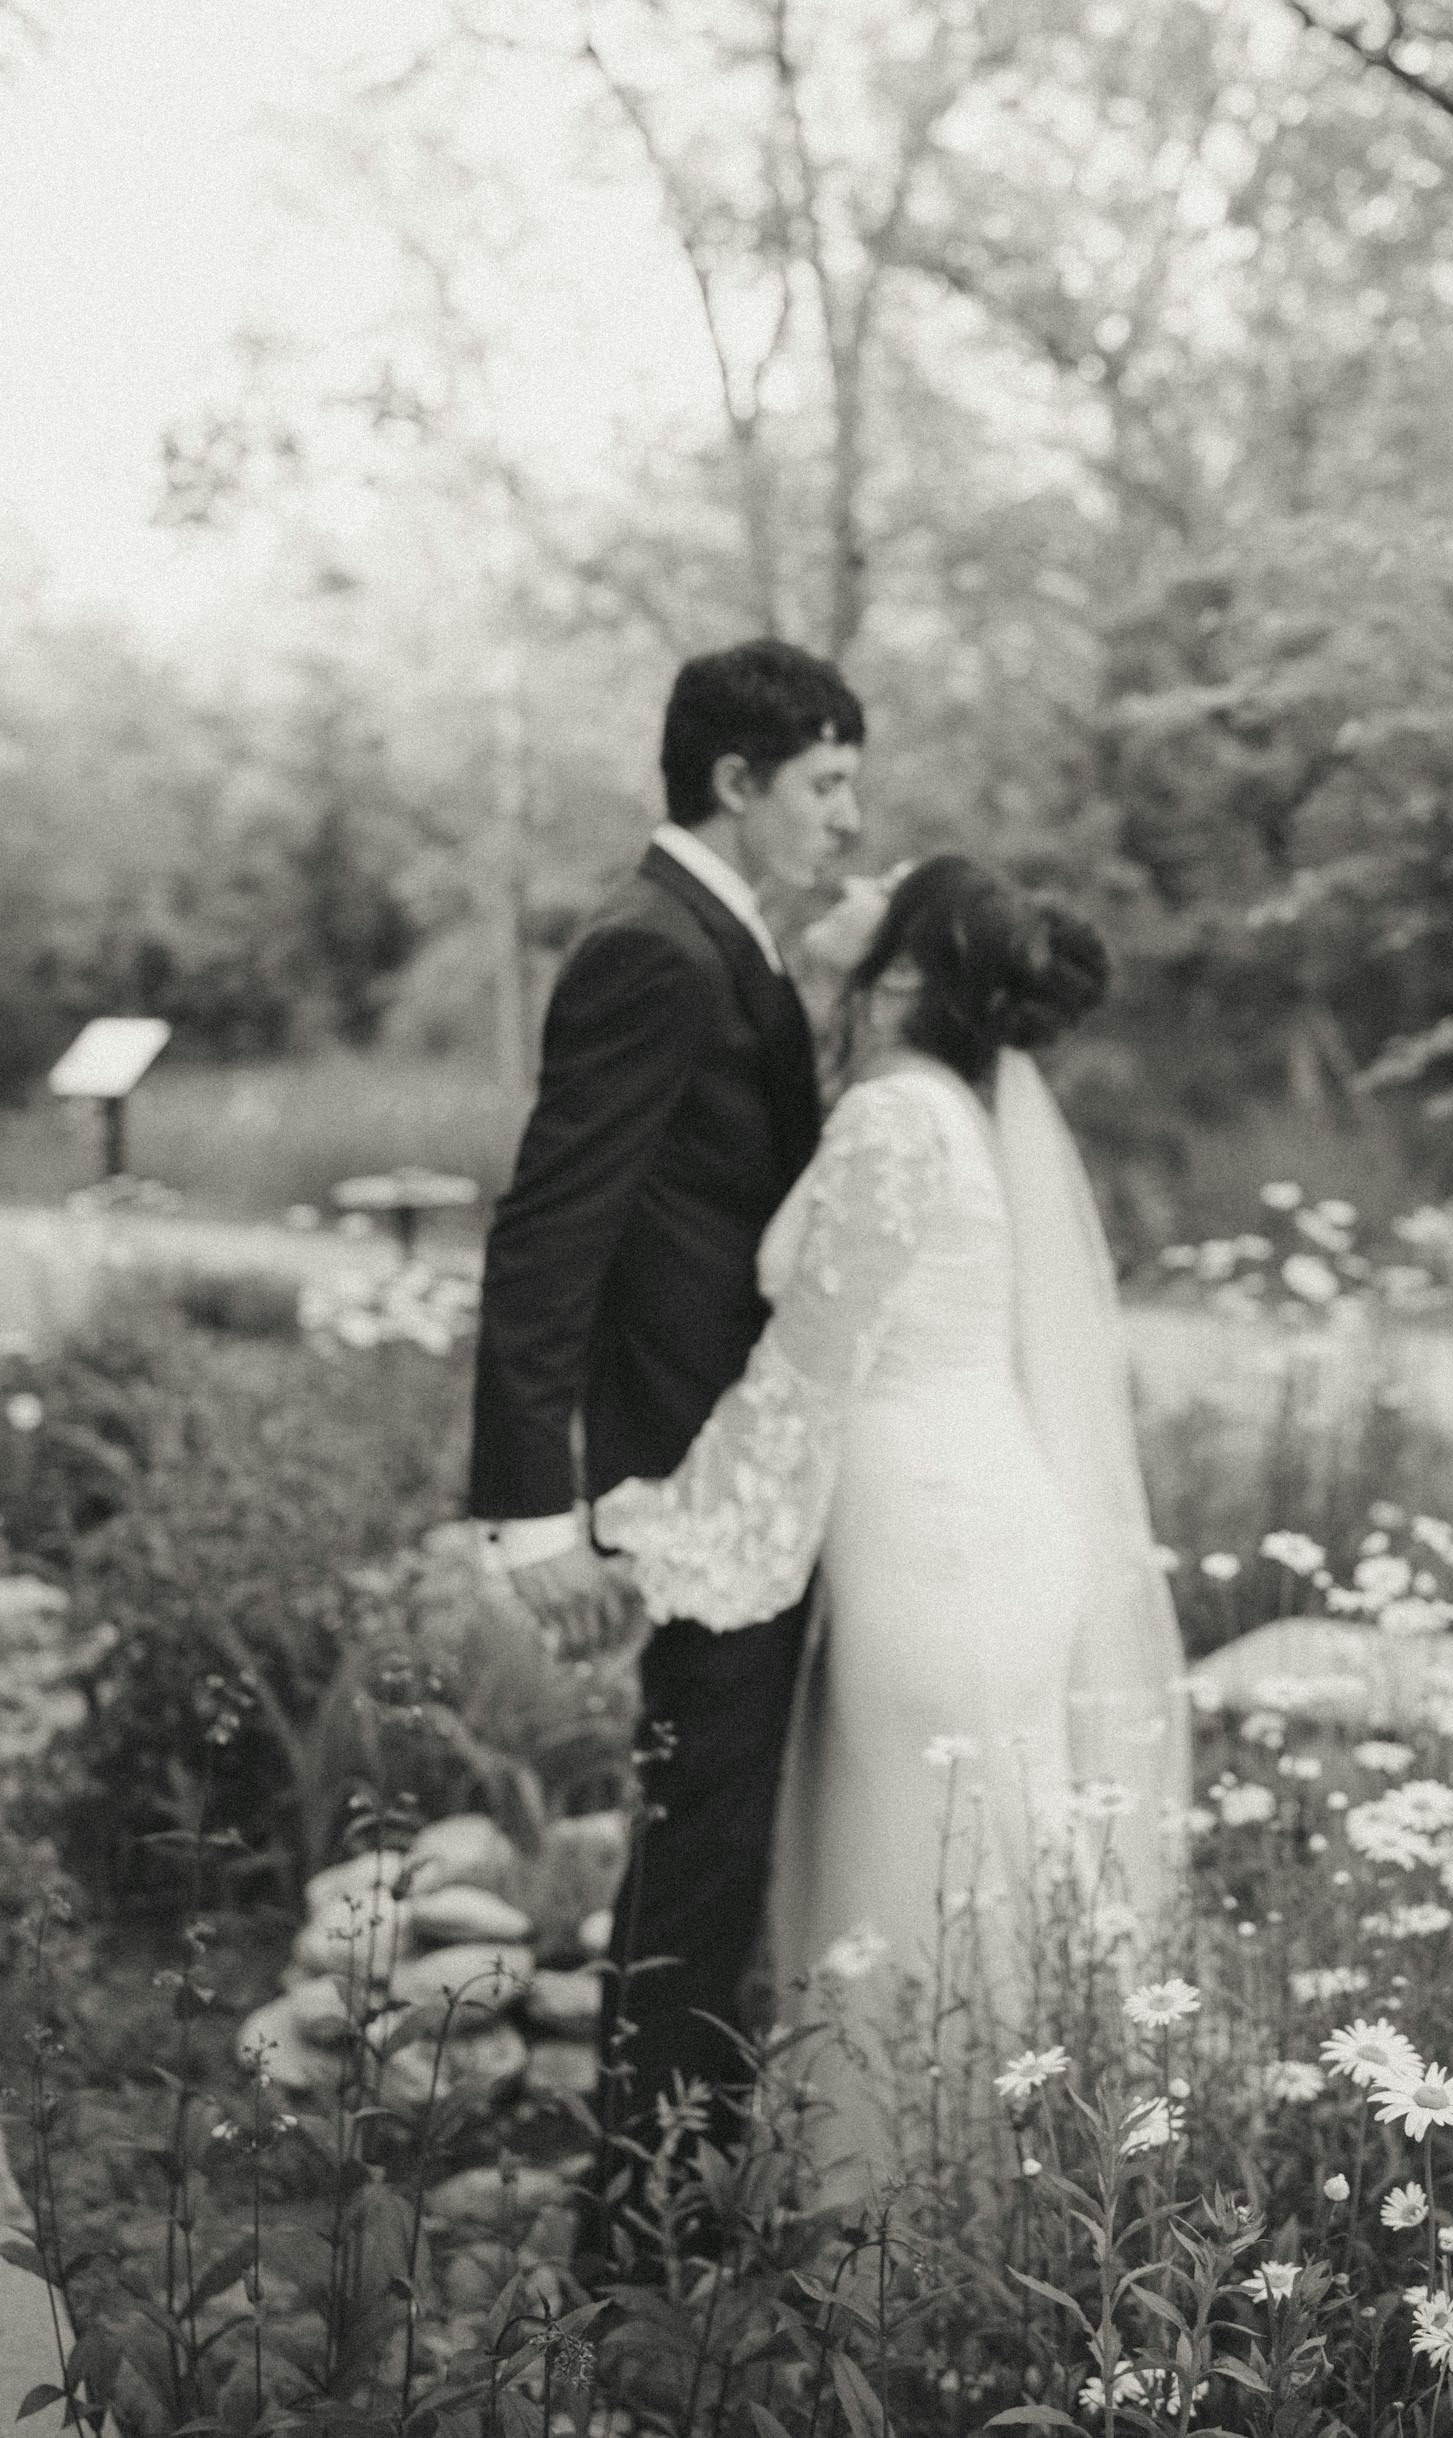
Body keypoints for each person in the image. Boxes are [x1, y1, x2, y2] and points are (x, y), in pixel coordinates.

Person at [589, 855, 1192, 2188]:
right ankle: (1046, 2188)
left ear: (910, 970)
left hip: (936, 1543)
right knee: (991, 1869)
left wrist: (673, 1526)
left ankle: (920, 2218)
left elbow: (810, 1359)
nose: (849, 875)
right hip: (973, 1517)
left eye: (881, 884)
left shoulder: (891, 1121)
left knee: (917, 1874)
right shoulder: (945, 1111)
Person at [467, 637, 864, 2241]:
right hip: (703, 1489)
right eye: (826, 785)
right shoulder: (656, 948)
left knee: (710, 1844)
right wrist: (529, 1518)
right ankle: (638, 2238)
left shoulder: (729, 942)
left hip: (743, 1471)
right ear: (737, 781)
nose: (847, 818)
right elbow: (548, 1236)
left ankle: (676, 2183)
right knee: (696, 1854)